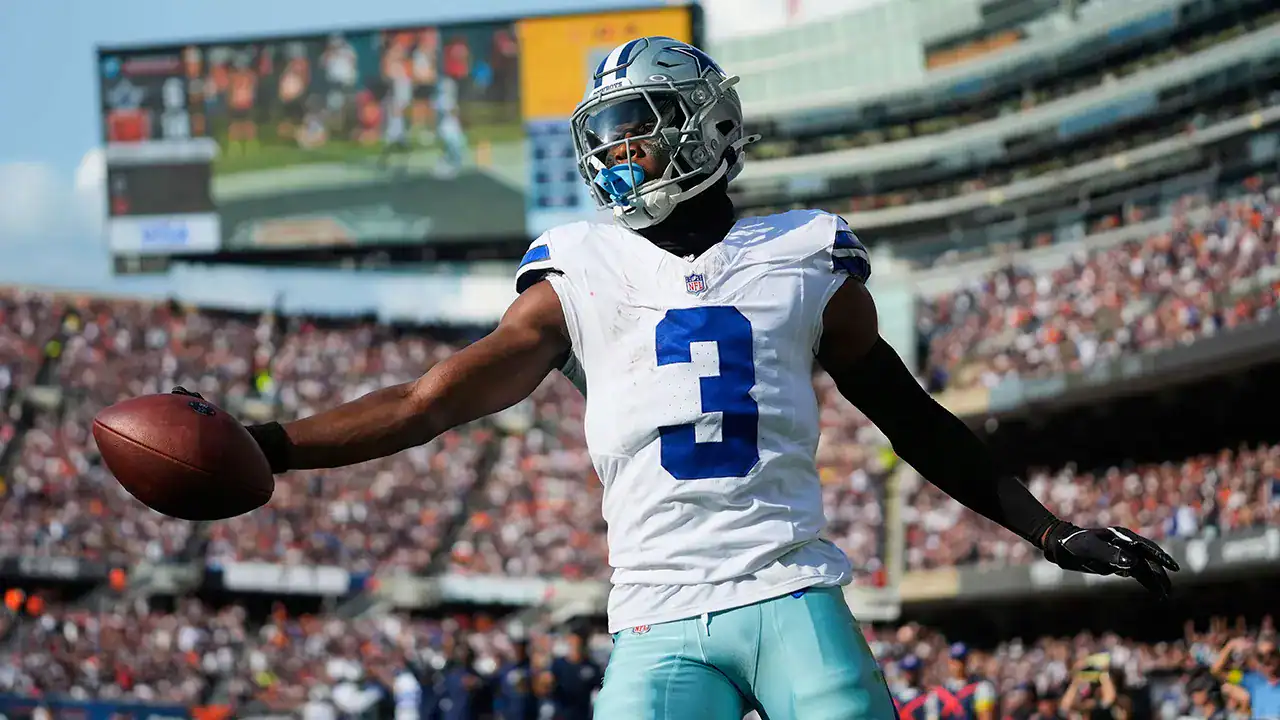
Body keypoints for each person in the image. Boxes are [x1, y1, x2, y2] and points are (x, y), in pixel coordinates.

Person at [173, 35, 1178, 720]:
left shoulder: (805, 252)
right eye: (604, 133)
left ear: (704, 124)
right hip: (656, 615)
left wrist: (1044, 530)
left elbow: (907, 416)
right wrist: (270, 446)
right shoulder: (575, 267)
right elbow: (431, 398)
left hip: (791, 589)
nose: (616, 150)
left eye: (639, 124)